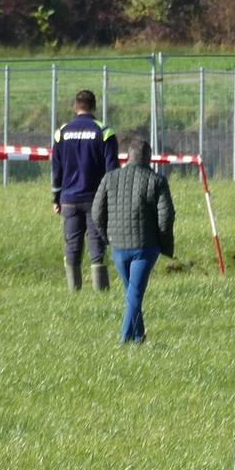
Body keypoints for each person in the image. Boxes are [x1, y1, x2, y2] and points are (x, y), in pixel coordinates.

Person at [94, 133, 174, 344]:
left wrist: (107, 236)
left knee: (132, 293)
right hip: (145, 247)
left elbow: (96, 212)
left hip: (118, 246)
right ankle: (125, 340)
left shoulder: (109, 178)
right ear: (149, 158)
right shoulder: (157, 180)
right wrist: (162, 241)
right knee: (135, 294)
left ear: (127, 157)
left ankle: (139, 337)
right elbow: (166, 217)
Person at [51, 89, 116, 292]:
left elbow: (56, 169)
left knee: (72, 245)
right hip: (96, 199)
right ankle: (101, 291)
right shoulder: (104, 132)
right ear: (94, 106)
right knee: (97, 245)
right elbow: (112, 171)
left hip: (68, 199)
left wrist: (56, 198)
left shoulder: (61, 133)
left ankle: (74, 292)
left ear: (75, 107)